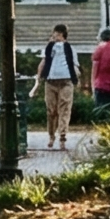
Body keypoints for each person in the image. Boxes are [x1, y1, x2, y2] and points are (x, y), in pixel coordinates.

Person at [37, 23, 80, 151]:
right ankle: (51, 135)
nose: (53, 36)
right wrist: (39, 77)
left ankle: (62, 135)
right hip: (51, 82)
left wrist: (76, 78)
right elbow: (43, 62)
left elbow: (75, 65)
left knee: (64, 108)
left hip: (66, 81)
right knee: (51, 110)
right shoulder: (49, 48)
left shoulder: (70, 49)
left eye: (54, 33)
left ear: (60, 34)